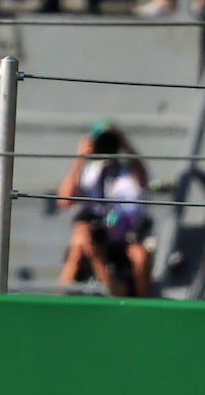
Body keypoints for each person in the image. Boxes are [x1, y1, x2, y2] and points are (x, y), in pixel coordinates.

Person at [54, 122, 151, 296]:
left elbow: (143, 179)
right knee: (78, 242)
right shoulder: (88, 172)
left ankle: (142, 304)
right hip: (95, 232)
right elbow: (64, 200)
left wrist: (124, 143)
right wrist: (81, 157)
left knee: (140, 257)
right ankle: (59, 301)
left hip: (124, 237)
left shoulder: (129, 172)